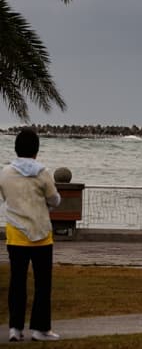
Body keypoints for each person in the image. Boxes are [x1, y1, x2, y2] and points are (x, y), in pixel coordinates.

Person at [0, 127, 62, 342]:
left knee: (17, 283)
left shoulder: (5, 172)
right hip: (41, 235)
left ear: (16, 149)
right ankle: (40, 329)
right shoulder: (42, 172)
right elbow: (54, 199)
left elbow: (4, 196)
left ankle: (15, 329)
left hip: (16, 234)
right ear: (36, 150)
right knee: (42, 284)